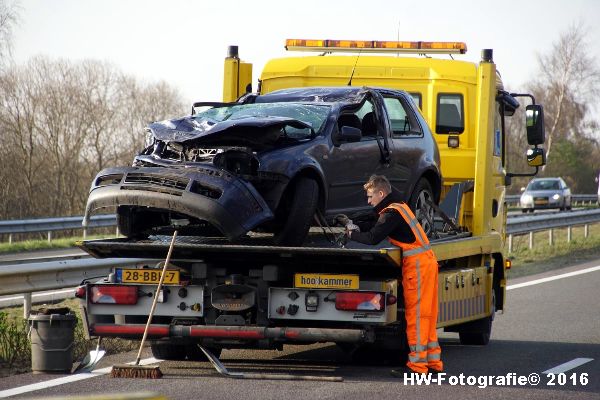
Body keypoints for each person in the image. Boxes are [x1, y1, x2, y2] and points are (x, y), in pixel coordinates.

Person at [343, 174, 443, 375]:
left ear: (381, 193)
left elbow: (373, 237)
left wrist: (351, 233)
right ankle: (432, 364)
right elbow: (374, 222)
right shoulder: (400, 207)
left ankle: (417, 367)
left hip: (417, 267)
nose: (369, 201)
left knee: (416, 317)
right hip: (427, 263)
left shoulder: (391, 213)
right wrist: (356, 222)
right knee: (428, 316)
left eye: (371, 197)